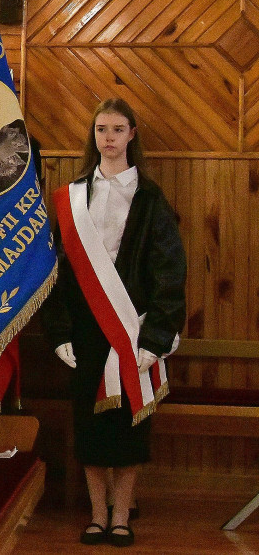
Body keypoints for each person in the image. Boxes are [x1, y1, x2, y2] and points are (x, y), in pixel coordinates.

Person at [43, 98, 186, 548]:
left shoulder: (150, 197)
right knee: (89, 426)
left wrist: (157, 336)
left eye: (118, 129)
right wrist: (60, 330)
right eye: (101, 129)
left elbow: (169, 270)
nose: (108, 137)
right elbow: (57, 270)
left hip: (133, 330)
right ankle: (96, 514)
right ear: (94, 135)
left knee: (129, 428)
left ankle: (122, 516)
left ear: (132, 134)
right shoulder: (71, 197)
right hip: (86, 332)